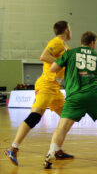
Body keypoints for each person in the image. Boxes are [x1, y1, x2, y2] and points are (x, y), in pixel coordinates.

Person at [43, 31, 97, 169]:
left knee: (62, 128)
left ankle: (50, 154)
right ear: (92, 42)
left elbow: (54, 68)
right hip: (93, 95)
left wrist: (65, 64)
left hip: (74, 97)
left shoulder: (70, 53)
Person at [4, 21, 73, 166]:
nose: (71, 30)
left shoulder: (65, 46)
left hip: (55, 88)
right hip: (46, 85)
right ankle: (13, 148)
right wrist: (62, 63)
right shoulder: (57, 42)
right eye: (70, 28)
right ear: (66, 30)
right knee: (35, 117)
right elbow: (44, 56)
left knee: (68, 117)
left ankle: (58, 149)